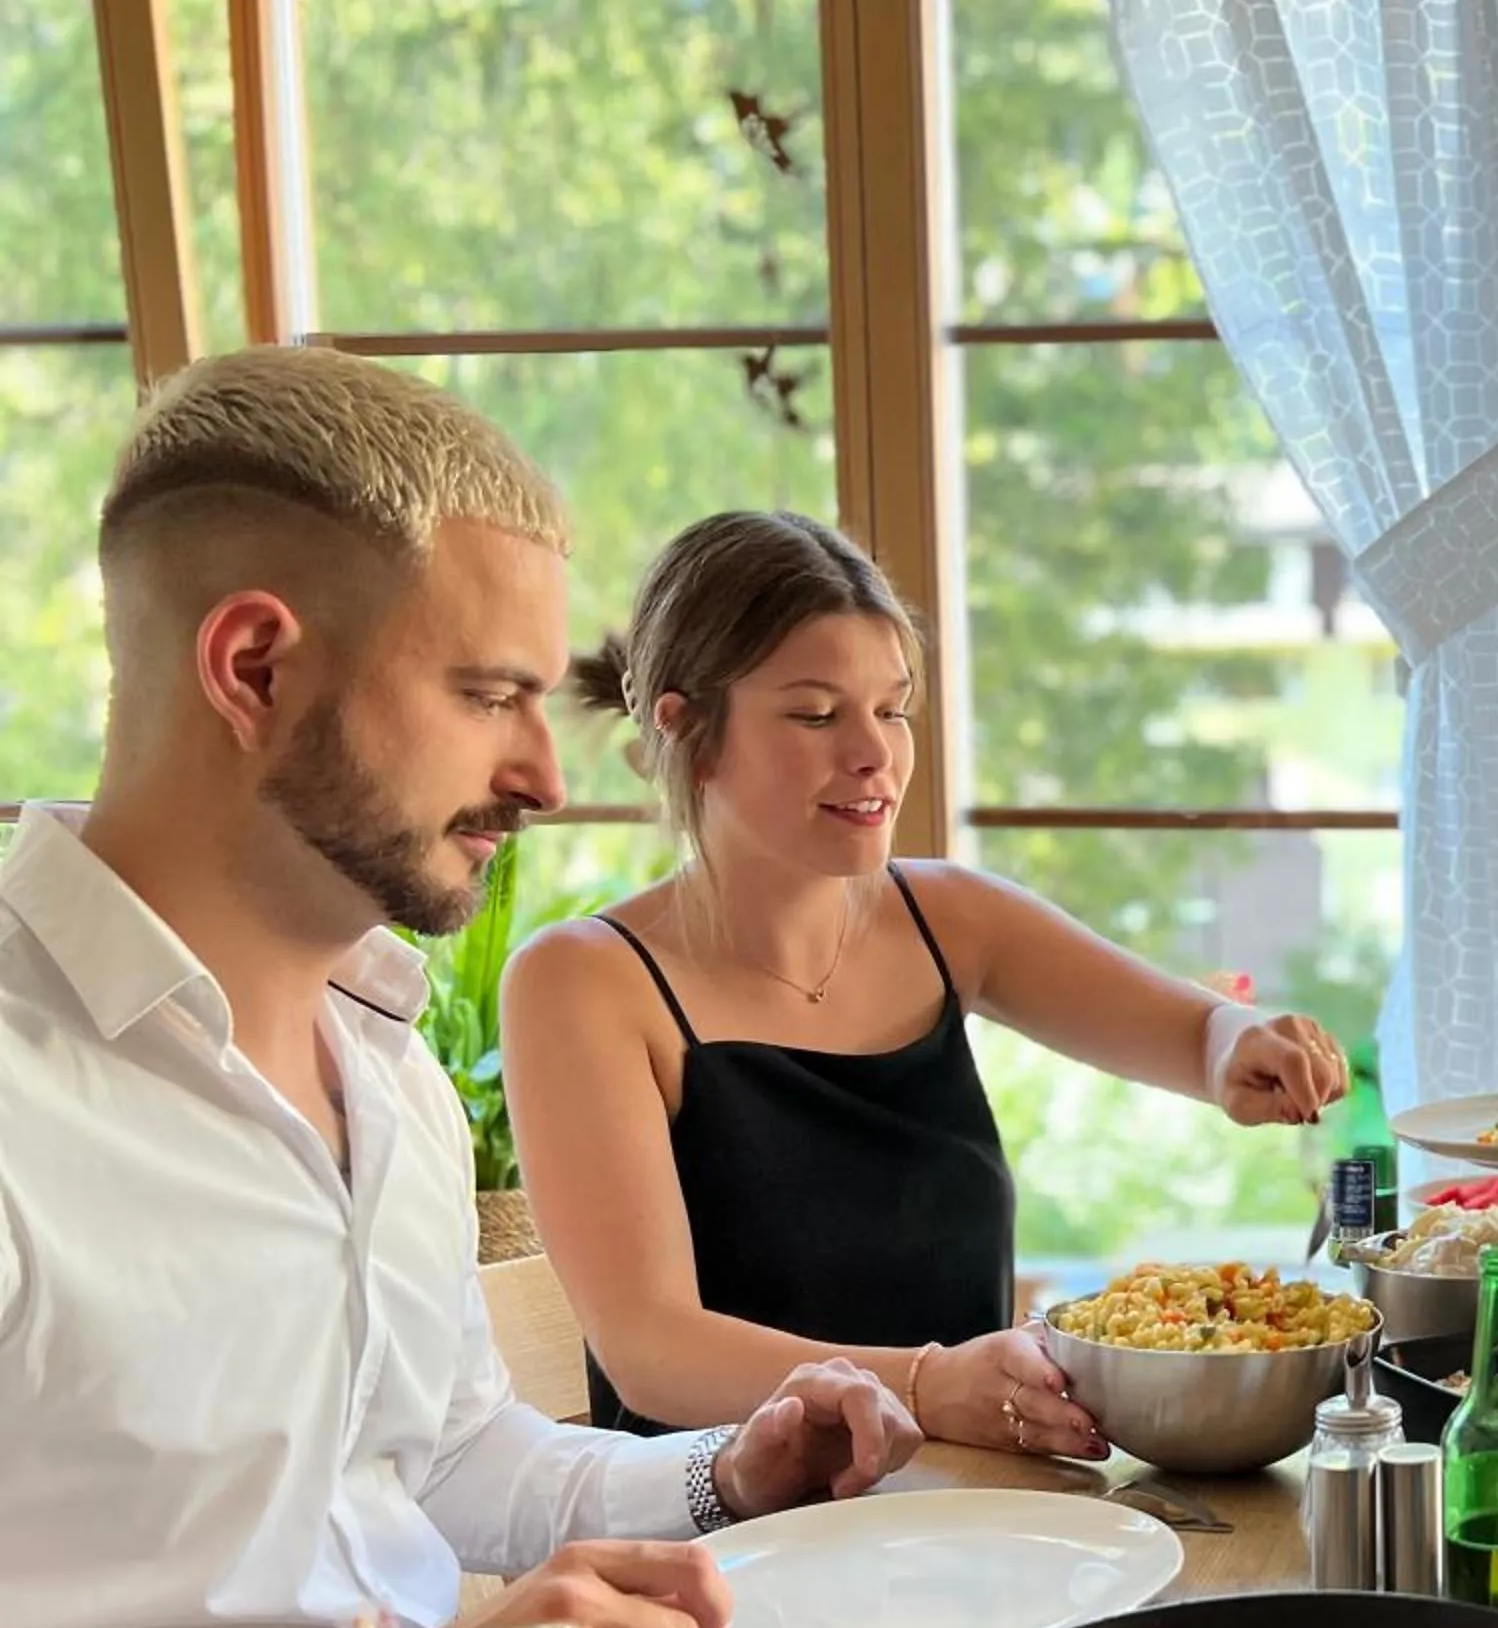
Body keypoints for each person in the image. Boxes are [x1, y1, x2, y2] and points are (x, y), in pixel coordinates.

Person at [0, 349, 920, 1628]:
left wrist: (726, 1482)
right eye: (493, 692)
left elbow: (434, 1461)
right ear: (254, 666)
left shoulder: (384, 1058)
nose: (545, 774)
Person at [498, 511, 1351, 1453]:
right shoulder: (583, 982)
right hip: (727, 1553)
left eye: (893, 708)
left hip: (966, 1516)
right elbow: (651, 1350)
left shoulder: (949, 918)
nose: (874, 754)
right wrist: (929, 1384)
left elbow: (1198, 1036)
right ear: (689, 732)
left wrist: (1244, 1042)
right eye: (817, 714)